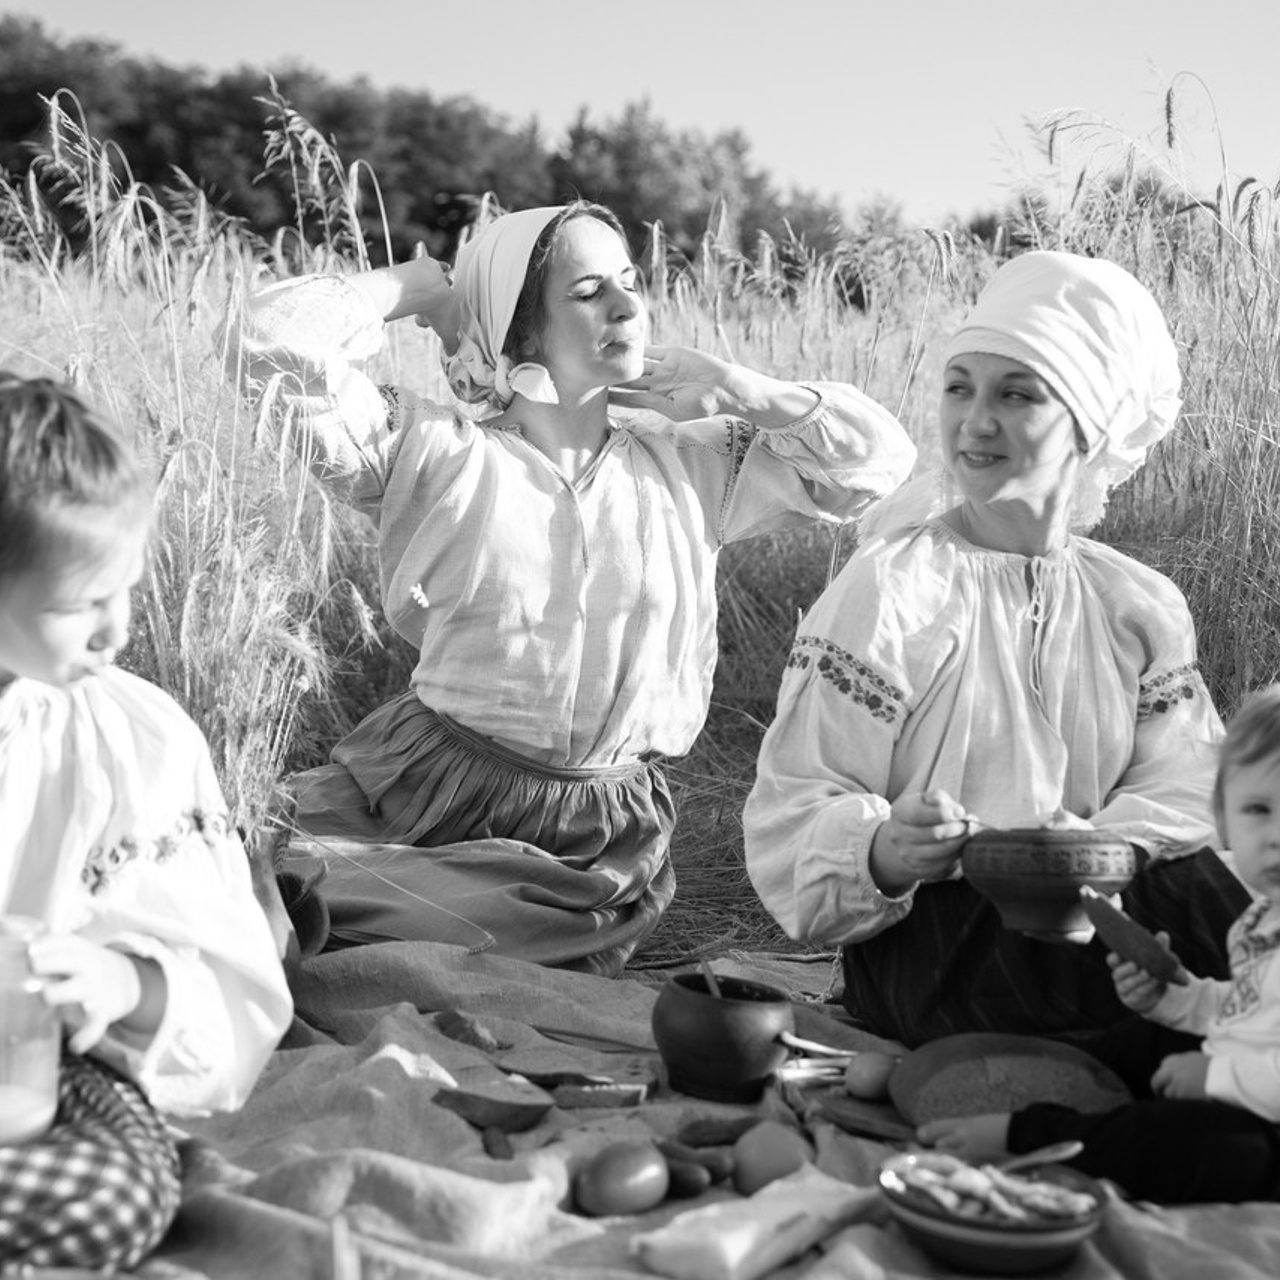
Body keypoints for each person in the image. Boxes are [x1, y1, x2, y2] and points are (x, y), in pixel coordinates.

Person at [222, 201, 916, 976]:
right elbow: (262, 341)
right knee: (215, 857)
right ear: (518, 332)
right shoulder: (434, 453)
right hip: (424, 789)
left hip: (595, 837)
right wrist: (415, 287)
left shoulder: (695, 466)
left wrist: (740, 388)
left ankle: (317, 913)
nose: (627, 306)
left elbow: (877, 464)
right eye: (587, 292)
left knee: (481, 942)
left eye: (629, 282)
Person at [744, 249, 1251, 1048]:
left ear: (1090, 425)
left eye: (1016, 394)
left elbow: (1193, 787)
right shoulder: (895, 587)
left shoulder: (1138, 603)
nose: (975, 421)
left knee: (1239, 899)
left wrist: (1099, 849)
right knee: (1217, 998)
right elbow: (792, 805)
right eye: (959, 387)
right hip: (944, 946)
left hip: (1104, 920)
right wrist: (886, 847)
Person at [0, 375, 294, 1271]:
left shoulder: (128, 739)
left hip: (40, 1066)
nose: (116, 629)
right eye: (75, 604)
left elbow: (229, 981)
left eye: (124, 588)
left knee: (118, 1192)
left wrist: (119, 985)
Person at [918, 686, 1280, 1204]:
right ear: (1223, 820)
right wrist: (1175, 999)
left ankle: (1039, 1138)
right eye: (1258, 810)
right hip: (1251, 1074)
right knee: (1140, 1040)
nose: (1276, 836)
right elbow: (1250, 1013)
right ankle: (1018, 1080)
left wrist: (1217, 1077)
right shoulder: (1261, 921)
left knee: (1179, 1141)